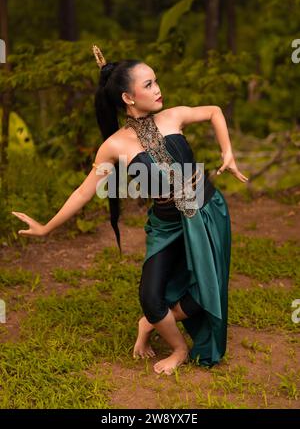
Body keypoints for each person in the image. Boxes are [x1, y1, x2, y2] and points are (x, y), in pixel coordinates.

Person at [11, 45, 248, 376]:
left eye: (156, 81)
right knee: (151, 299)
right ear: (128, 97)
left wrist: (228, 153)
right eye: (149, 84)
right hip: (167, 224)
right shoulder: (114, 146)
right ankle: (176, 347)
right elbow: (82, 191)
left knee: (203, 293)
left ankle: (157, 328)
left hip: (205, 213)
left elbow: (214, 111)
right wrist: (47, 227)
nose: (158, 88)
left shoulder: (172, 116)